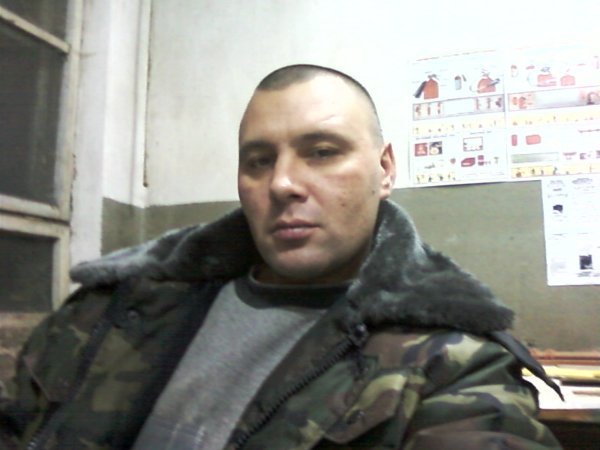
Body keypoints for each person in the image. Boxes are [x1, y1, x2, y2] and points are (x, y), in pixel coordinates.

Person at [0, 65, 562, 450]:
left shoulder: (451, 366)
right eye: (258, 161)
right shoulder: (115, 307)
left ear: (385, 169)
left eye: (322, 152)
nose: (283, 183)